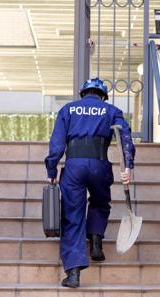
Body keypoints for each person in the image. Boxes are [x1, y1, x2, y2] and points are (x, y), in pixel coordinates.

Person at [44, 77, 135, 288]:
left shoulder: (68, 109)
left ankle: (74, 272)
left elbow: (57, 143)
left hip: (74, 166)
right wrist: (128, 166)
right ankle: (95, 242)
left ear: (83, 93)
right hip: (99, 164)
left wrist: (51, 169)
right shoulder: (111, 110)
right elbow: (125, 138)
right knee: (100, 203)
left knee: (72, 216)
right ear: (103, 95)